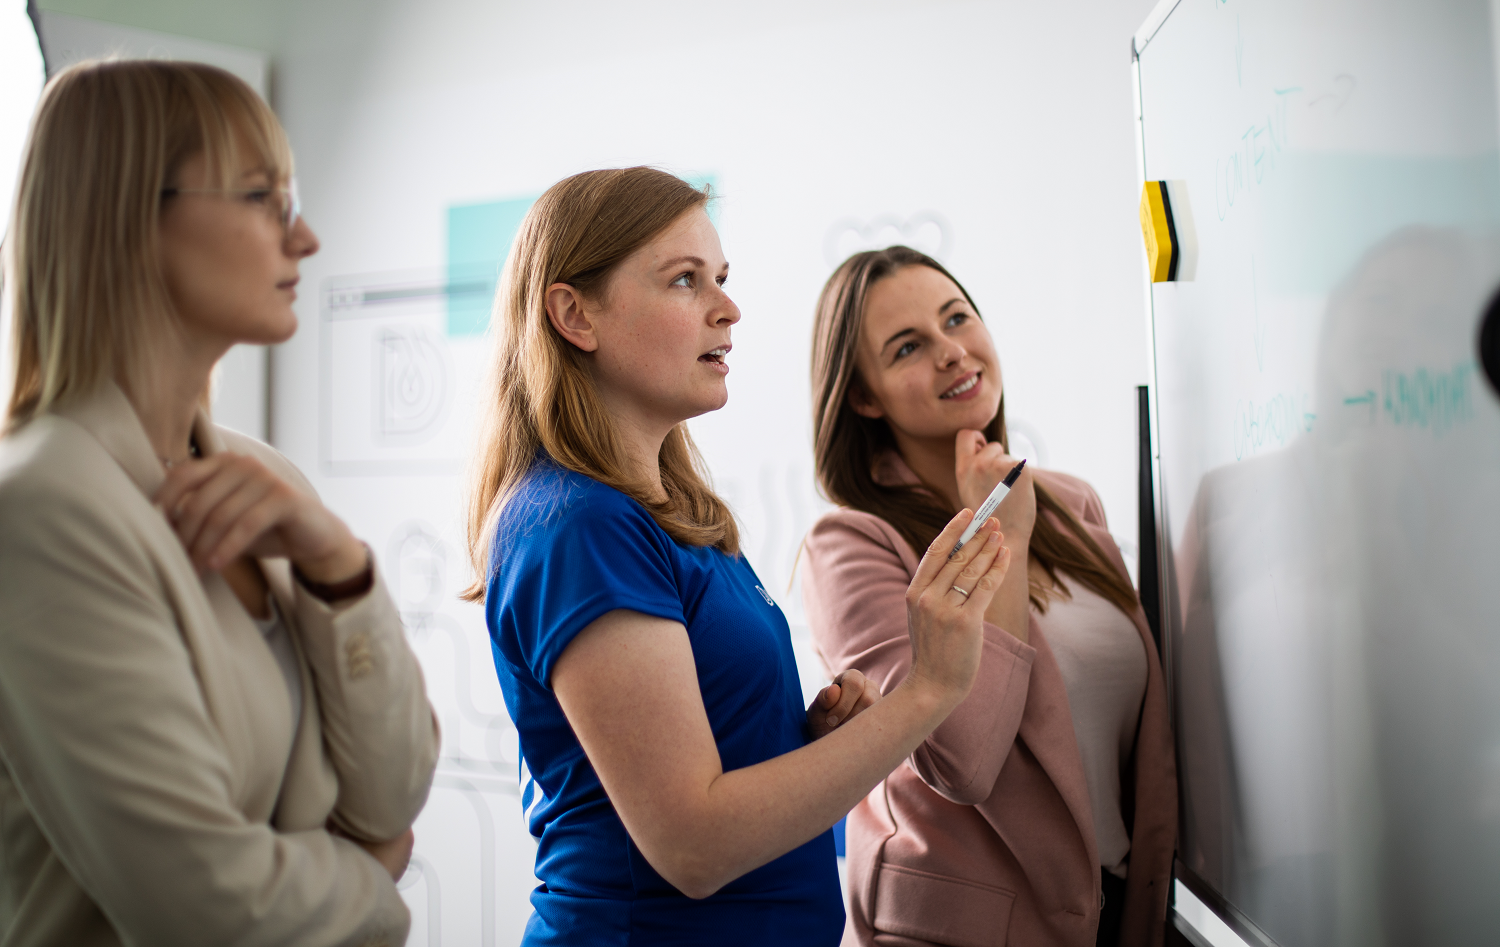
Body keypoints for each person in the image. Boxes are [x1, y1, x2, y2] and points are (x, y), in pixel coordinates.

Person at [463, 167, 1012, 946]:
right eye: (686, 281)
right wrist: (927, 692)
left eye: (720, 277)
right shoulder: (576, 526)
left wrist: (802, 743)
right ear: (573, 314)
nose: (728, 308)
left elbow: (709, 781)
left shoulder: (668, 521)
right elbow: (694, 845)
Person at [0, 60, 439, 946]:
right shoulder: (39, 505)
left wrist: (338, 570)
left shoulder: (265, 483)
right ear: (128, 218)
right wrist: (370, 878)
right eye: (261, 197)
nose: (305, 237)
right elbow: (202, 906)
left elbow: (396, 791)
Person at [801, 246, 1177, 947]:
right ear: (864, 396)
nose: (951, 352)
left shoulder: (1068, 501)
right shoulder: (852, 544)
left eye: (957, 318)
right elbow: (964, 761)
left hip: (1116, 908)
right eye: (909, 346)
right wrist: (995, 536)